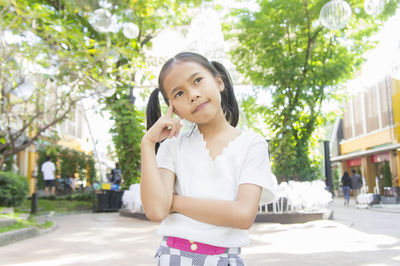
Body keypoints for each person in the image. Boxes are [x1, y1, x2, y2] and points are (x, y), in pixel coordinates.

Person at [141, 52, 277, 265]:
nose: (192, 95)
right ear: (173, 108)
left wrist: (173, 202)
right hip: (173, 256)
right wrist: (148, 143)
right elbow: (157, 210)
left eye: (197, 80)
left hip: (225, 258)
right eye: (178, 93)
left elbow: (243, 215)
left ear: (219, 81)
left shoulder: (252, 144)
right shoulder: (172, 147)